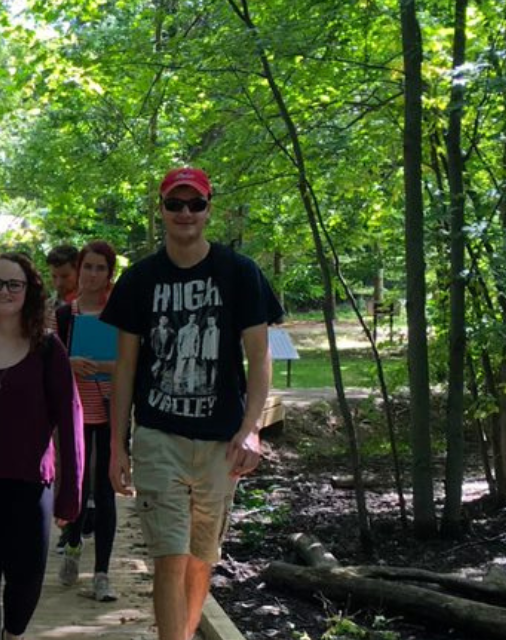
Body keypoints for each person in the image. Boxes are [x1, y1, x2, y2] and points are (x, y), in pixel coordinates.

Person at [102, 168, 283, 640]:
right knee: (169, 555)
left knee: (201, 560)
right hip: (159, 434)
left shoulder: (240, 274)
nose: (185, 213)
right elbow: (124, 367)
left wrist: (251, 428)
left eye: (195, 204)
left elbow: (259, 357)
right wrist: (117, 446)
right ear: (161, 209)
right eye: (175, 204)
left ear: (208, 209)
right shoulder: (140, 279)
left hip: (220, 441)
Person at [0, 253, 84, 640]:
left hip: (31, 481)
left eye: (14, 284)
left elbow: (71, 417)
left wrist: (70, 494)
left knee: (25, 578)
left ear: (29, 291)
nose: (4, 291)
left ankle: (13, 633)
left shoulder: (47, 348)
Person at [55, 240, 123, 600]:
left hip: (111, 410)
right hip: (76, 413)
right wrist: (69, 364)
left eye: (100, 268)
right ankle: (72, 548)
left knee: (105, 490)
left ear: (110, 274)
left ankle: (102, 573)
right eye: (87, 267)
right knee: (78, 487)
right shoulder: (66, 315)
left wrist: (106, 367)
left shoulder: (121, 314)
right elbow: (48, 362)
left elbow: (134, 363)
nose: (93, 275)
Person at [45, 244, 81, 334]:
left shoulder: (91, 305)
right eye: (54, 276)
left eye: (65, 276)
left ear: (79, 271)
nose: (59, 283)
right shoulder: (46, 308)